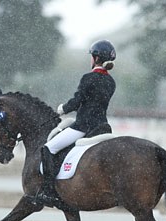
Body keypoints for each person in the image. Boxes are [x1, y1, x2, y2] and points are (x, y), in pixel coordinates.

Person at [36, 39, 116, 206]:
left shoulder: (88, 78)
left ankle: (48, 191)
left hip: (83, 126)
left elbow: (77, 101)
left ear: (95, 58)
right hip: (102, 127)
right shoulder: (111, 82)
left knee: (49, 148)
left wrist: (62, 109)